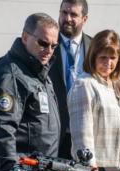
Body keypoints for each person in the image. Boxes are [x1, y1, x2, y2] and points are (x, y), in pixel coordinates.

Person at [0, 13, 61, 171]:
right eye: (43, 43)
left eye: (54, 46)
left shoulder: (38, 71)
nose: (49, 51)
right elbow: (1, 129)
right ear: (25, 37)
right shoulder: (11, 75)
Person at [68, 30, 120, 171]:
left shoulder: (117, 83)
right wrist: (89, 168)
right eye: (103, 57)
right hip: (103, 168)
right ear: (93, 57)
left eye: (113, 57)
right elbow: (82, 135)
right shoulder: (85, 84)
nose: (108, 63)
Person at [49, 0, 91, 159]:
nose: (67, 18)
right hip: (54, 135)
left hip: (85, 135)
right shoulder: (46, 45)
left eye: (73, 14)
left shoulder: (95, 47)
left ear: (84, 19)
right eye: (64, 13)